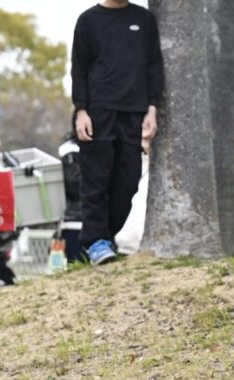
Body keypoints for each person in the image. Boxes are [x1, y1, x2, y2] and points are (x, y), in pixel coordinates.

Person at [71, 0, 162, 265]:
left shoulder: (144, 20)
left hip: (134, 112)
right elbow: (78, 68)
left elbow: (153, 66)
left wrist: (152, 108)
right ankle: (95, 241)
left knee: (128, 180)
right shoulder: (88, 20)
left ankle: (107, 237)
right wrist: (81, 110)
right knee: (95, 180)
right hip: (97, 112)